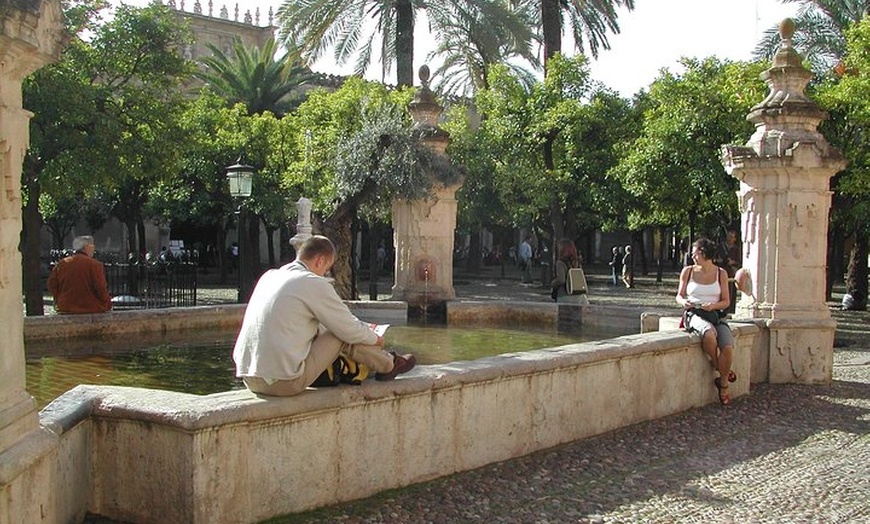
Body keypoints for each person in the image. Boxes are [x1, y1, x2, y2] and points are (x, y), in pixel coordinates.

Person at [233, 235, 416, 397]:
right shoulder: (311, 282)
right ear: (320, 261)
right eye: (327, 269)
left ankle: (388, 362)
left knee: (328, 326)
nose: (325, 274)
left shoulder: (269, 276)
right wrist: (376, 339)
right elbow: (348, 328)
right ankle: (389, 364)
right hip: (282, 383)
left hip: (249, 378)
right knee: (339, 332)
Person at [676, 238, 736, 406]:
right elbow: (679, 295)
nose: (693, 256)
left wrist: (713, 306)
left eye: (695, 253)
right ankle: (723, 374)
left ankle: (722, 381)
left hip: (715, 314)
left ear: (703, 253)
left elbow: (726, 301)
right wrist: (684, 302)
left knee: (728, 347)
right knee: (709, 334)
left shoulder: (721, 273)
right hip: (694, 313)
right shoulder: (687, 271)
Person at [47, 235, 112, 314]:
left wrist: (60, 298)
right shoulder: (95, 265)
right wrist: (107, 303)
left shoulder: (61, 264)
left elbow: (52, 284)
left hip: (65, 307)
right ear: (86, 247)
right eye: (92, 246)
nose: (94, 249)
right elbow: (100, 288)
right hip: (91, 308)